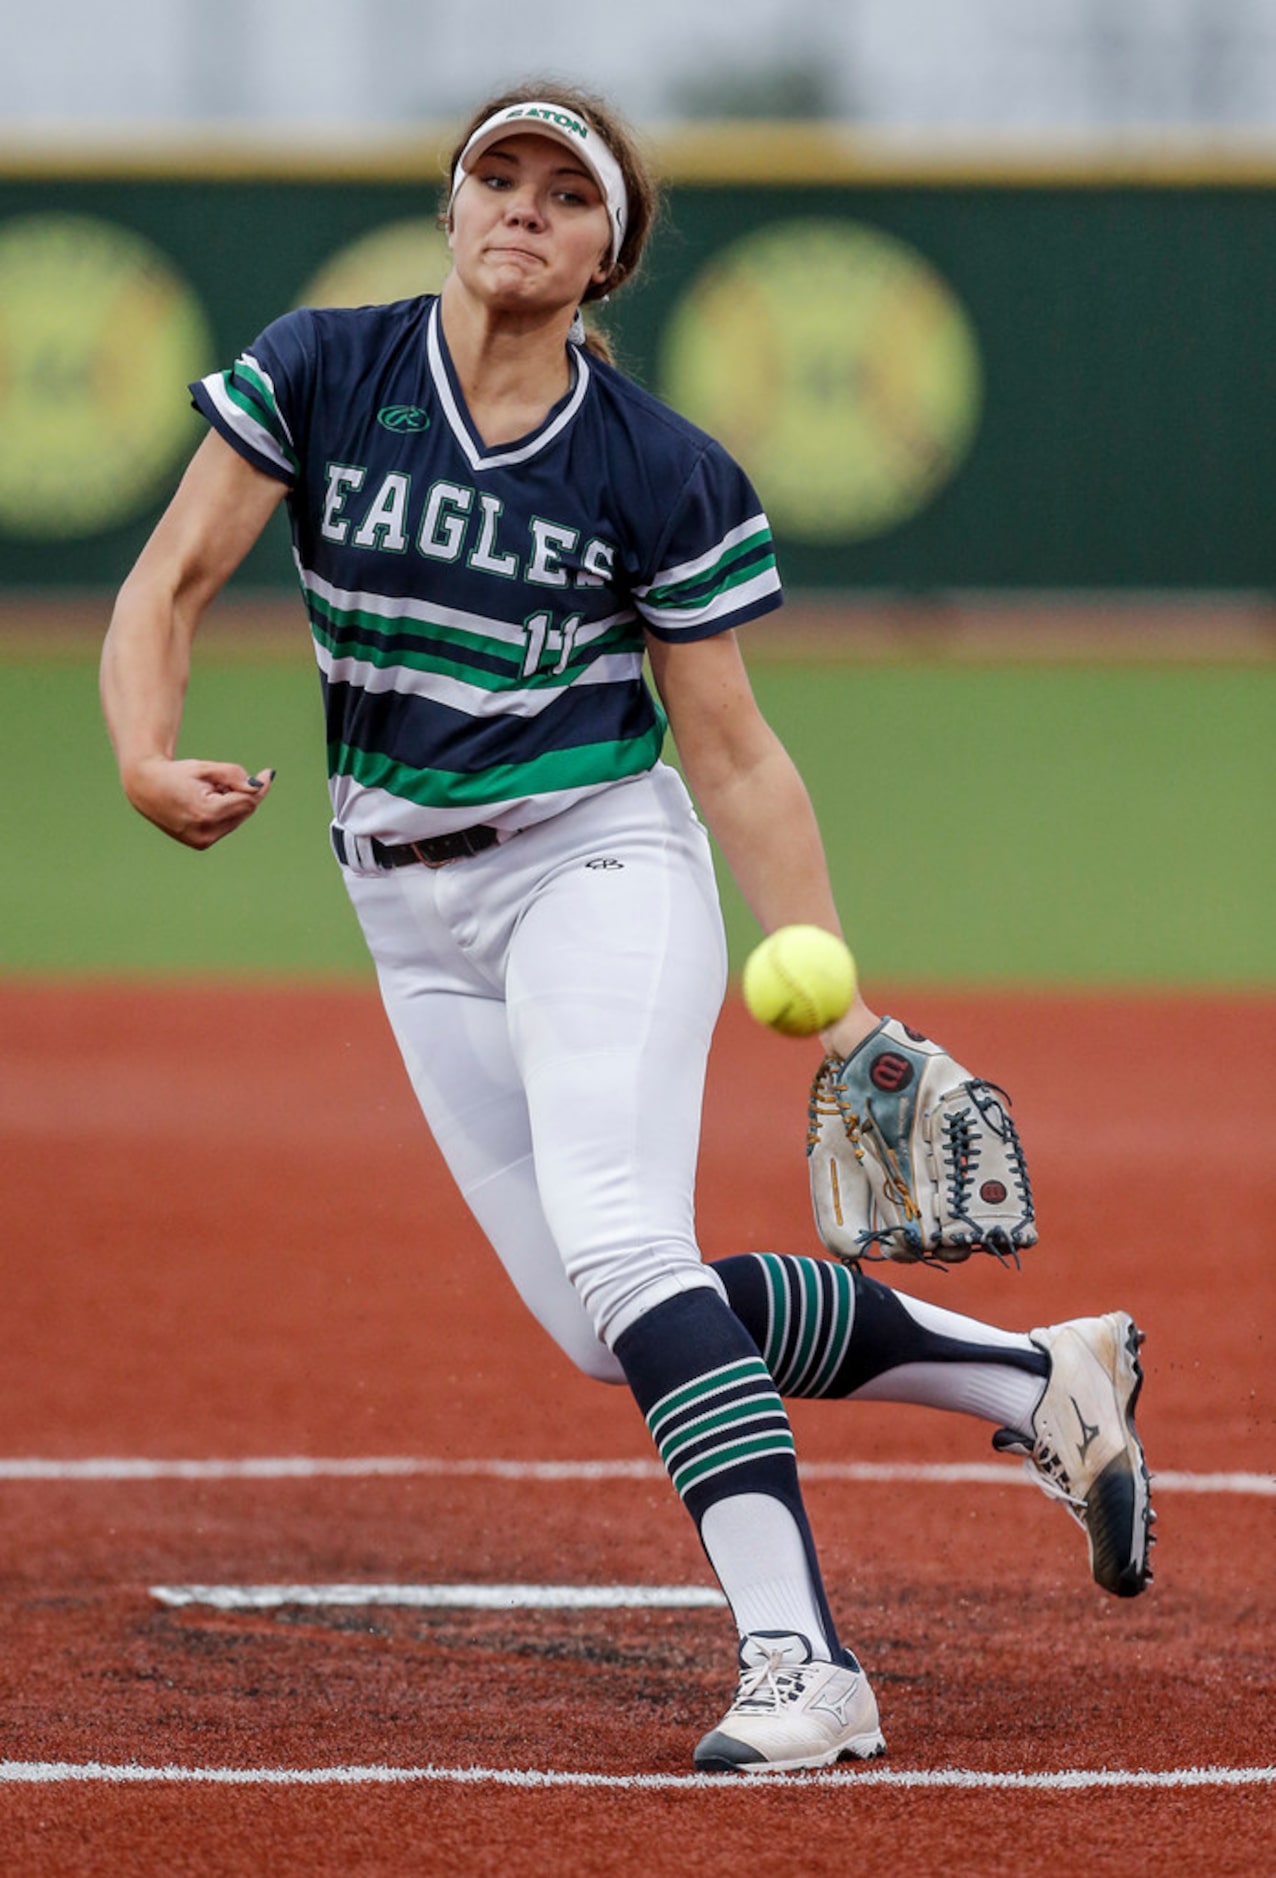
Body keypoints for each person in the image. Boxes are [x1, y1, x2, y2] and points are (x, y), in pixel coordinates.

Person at [100, 80, 1153, 1774]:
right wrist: (140, 753)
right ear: (448, 213)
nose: (522, 206)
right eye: (493, 176)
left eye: (563, 192)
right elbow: (165, 583)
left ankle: (805, 1663)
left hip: (595, 862)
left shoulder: (654, 465)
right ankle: (1039, 1380)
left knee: (622, 1246)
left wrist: (846, 1010)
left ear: (608, 253)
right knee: (611, 1319)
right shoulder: (320, 369)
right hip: (403, 904)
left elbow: (732, 752)